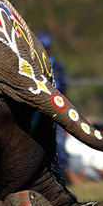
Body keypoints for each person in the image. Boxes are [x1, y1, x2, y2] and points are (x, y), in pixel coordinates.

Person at [37, 31, 70, 176]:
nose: (45, 49)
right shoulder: (32, 63)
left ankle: (61, 171)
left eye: (47, 47)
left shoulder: (57, 65)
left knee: (59, 140)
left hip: (56, 106)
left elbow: (64, 85)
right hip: (37, 106)